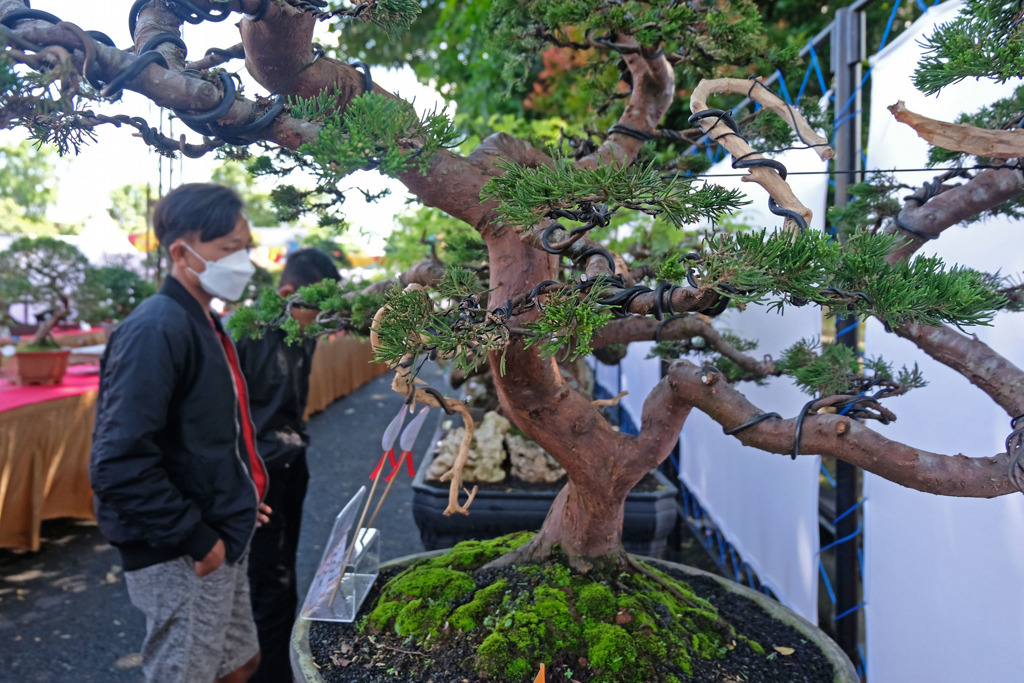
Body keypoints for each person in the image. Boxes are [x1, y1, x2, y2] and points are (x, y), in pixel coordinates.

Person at [90, 183, 270, 683]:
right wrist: (196, 538)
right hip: (182, 550)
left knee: (239, 665)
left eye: (246, 248)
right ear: (181, 252)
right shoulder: (157, 328)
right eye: (230, 249)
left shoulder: (203, 321)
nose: (245, 262)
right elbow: (117, 462)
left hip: (213, 530)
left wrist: (237, 493)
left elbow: (204, 436)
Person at [235, 248, 341, 683]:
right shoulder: (248, 335)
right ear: (289, 295)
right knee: (269, 583)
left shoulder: (301, 328)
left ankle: (274, 667)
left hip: (291, 458)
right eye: (316, 311)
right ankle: (271, 674)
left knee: (282, 574)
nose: (320, 323)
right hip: (260, 471)